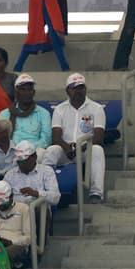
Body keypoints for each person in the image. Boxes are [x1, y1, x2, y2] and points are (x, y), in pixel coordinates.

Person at [44, 74, 106, 203]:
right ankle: (45, 187)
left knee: (97, 150)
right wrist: (67, 148)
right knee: (51, 151)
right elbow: (56, 136)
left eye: (81, 87)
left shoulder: (96, 108)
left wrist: (80, 147)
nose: (78, 91)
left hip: (85, 150)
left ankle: (96, 192)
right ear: (67, 90)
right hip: (66, 150)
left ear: (85, 89)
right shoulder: (60, 109)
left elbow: (98, 137)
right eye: (74, 88)